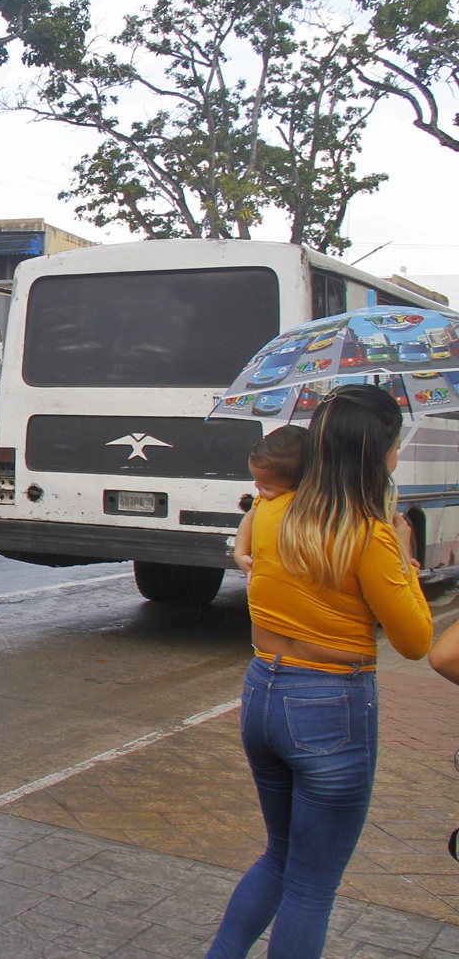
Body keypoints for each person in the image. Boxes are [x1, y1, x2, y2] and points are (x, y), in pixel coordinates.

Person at [206, 385, 432, 959]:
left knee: (279, 855)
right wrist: (405, 556)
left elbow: (245, 550)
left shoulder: (275, 510)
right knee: (311, 886)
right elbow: (415, 641)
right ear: (380, 452)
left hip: (262, 692)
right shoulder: (370, 534)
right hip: (330, 708)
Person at [232, 426, 308, 576]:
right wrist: (240, 553)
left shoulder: (306, 501)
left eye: (265, 486)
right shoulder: (262, 501)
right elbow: (249, 519)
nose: (256, 486)